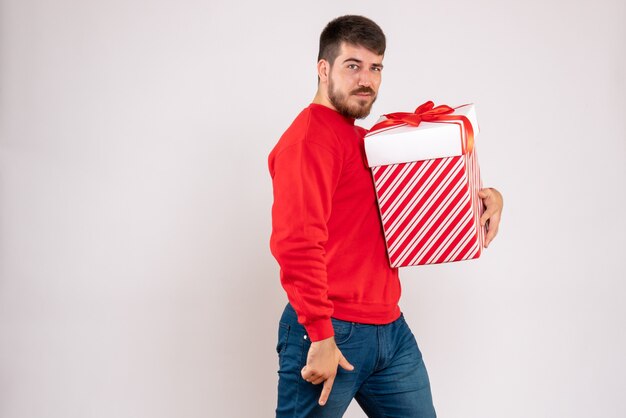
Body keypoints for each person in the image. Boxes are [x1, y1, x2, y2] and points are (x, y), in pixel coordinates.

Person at [268, 15, 503, 418]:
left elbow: (412, 204)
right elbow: (296, 242)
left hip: (389, 328)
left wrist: (486, 197)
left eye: (375, 67)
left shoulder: (366, 141)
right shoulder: (310, 140)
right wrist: (321, 334)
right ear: (323, 69)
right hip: (332, 331)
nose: (366, 80)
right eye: (353, 66)